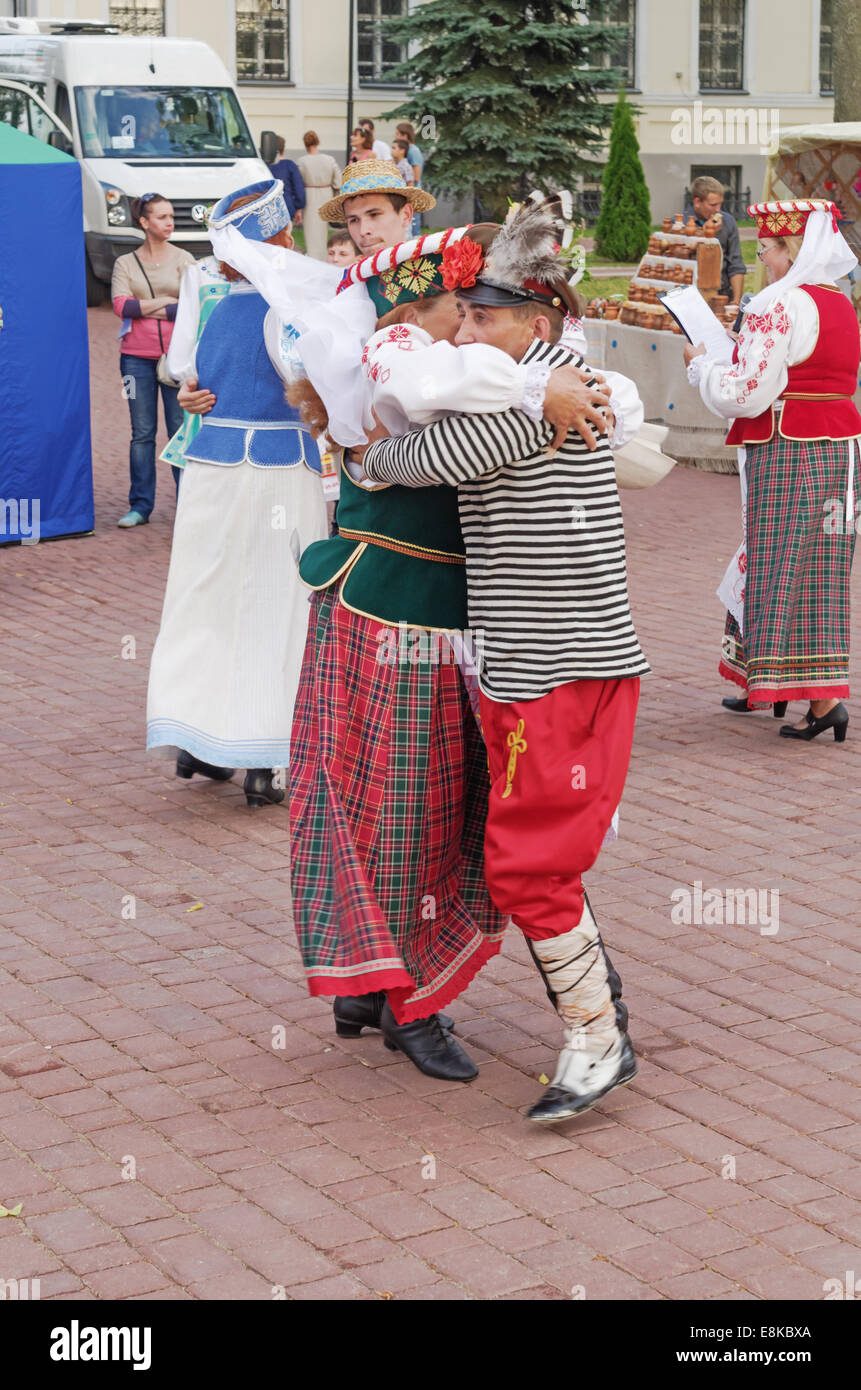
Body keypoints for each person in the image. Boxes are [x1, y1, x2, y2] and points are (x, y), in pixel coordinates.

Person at [361, 197, 647, 1122]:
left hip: (552, 662)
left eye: (485, 318)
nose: (467, 334)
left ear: (538, 321)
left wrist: (366, 458)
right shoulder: (544, 382)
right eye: (466, 316)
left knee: (525, 865)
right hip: (552, 656)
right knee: (535, 855)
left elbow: (412, 459)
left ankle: (597, 1036)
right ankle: (598, 1010)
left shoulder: (534, 399)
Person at [146, 180, 329, 804]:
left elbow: (180, 372)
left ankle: (199, 740)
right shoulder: (295, 312)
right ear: (279, 238)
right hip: (281, 468)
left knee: (205, 595)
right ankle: (265, 757)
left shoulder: (218, 304)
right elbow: (317, 387)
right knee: (278, 603)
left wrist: (198, 394)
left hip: (211, 468)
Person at [685, 198, 861, 743]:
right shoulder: (840, 300)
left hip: (787, 446)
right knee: (819, 565)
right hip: (841, 448)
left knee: (779, 561)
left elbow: (745, 393)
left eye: (766, 251)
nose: (762, 261)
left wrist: (704, 367)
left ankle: (816, 695)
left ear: (791, 251)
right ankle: (784, 684)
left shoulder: (777, 303)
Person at [111, 193, 195, 527]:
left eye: (171, 216)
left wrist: (147, 305)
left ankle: (187, 503)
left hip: (175, 359)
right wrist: (165, 301)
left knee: (180, 430)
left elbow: (190, 306)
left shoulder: (185, 258)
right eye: (161, 217)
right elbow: (122, 307)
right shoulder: (125, 263)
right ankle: (140, 506)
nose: (170, 222)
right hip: (134, 359)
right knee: (142, 433)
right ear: (144, 223)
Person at [160, 255, 230, 474]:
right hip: (207, 381)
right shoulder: (200, 271)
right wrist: (188, 376)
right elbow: (187, 330)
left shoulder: (276, 265)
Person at [683, 175, 746, 304]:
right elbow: (682, 257)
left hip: (721, 292)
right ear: (697, 202)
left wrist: (736, 300)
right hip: (688, 294)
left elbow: (735, 263)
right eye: (713, 204)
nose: (718, 209)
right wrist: (706, 234)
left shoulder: (728, 221)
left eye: (720, 204)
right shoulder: (680, 224)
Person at [298, 132, 341, 262]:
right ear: (317, 141)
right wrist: (334, 190)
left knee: (310, 230)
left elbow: (298, 181)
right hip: (326, 193)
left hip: (309, 194)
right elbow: (338, 179)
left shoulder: (302, 161)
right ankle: (324, 257)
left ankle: (313, 258)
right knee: (323, 229)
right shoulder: (329, 159)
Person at [267, 135, 306, 225]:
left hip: (267, 209)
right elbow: (298, 188)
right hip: (286, 207)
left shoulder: (263, 166)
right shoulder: (289, 165)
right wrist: (298, 208)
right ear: (283, 150)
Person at [396, 122, 424, 236]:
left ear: (405, 136)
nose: (396, 137)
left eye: (398, 134)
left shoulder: (413, 151)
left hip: (414, 190)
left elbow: (416, 175)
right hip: (408, 189)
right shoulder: (409, 150)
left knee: (413, 224)